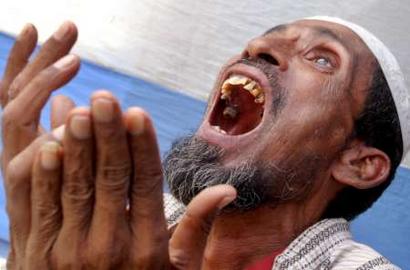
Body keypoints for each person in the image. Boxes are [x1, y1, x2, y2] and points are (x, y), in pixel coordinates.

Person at [0, 16, 406, 269]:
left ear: (359, 163)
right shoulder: (104, 230)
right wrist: (32, 246)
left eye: (322, 59)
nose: (257, 48)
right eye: (259, 42)